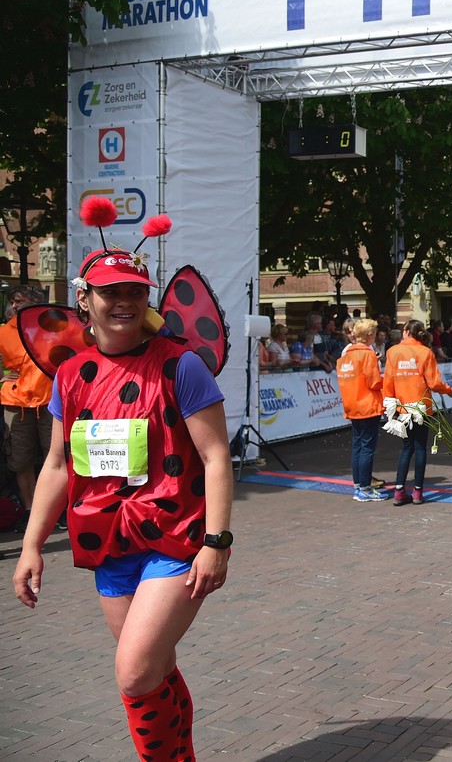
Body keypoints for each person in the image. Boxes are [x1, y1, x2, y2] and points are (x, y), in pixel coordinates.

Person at [12, 246, 233, 762]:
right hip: (107, 543)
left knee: (134, 673)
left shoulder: (181, 366)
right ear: (84, 300)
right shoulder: (70, 375)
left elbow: (217, 458)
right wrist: (31, 546)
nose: (124, 302)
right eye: (111, 292)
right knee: (154, 669)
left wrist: (216, 543)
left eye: (134, 291)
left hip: (176, 538)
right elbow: (58, 466)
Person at [382, 320, 452, 505]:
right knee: (420, 448)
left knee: (407, 448)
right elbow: (434, 383)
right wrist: (449, 390)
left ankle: (399, 490)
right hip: (421, 407)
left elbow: (388, 382)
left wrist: (389, 407)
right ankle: (417, 492)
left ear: (407, 332)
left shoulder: (393, 352)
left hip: (402, 408)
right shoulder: (425, 352)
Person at [0, 285, 54, 524]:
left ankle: (54, 508)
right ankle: (32, 510)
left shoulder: (50, 327)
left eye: (20, 301)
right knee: (21, 460)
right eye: (12, 302)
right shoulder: (3, 332)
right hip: (16, 402)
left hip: (50, 402)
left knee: (57, 458)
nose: (14, 306)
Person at [336, 318, 387, 502]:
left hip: (352, 404)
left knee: (357, 446)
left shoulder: (345, 355)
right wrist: (386, 379)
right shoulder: (368, 354)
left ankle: (359, 485)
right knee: (367, 448)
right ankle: (365, 488)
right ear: (370, 335)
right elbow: (374, 382)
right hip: (367, 405)